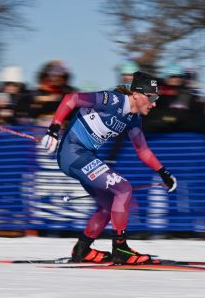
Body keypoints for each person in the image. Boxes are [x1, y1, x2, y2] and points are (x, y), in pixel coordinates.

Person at [39, 71, 177, 264]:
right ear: (136, 94)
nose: (154, 103)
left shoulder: (134, 119)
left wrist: (163, 172)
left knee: (110, 205)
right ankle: (120, 248)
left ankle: (82, 249)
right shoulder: (112, 100)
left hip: (85, 155)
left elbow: (143, 150)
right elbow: (72, 98)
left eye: (157, 98)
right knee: (123, 189)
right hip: (72, 153)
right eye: (151, 97)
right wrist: (53, 129)